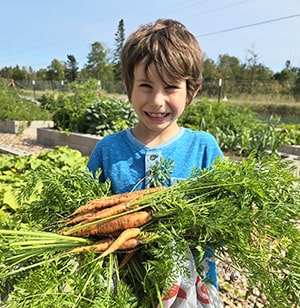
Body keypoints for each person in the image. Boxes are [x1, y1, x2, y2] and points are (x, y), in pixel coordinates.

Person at [87, 19, 223, 307]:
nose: (157, 101)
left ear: (192, 91)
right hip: (124, 291)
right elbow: (86, 220)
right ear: (128, 86)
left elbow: (226, 219)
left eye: (171, 87)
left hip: (191, 292)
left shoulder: (204, 149)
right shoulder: (108, 150)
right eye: (146, 86)